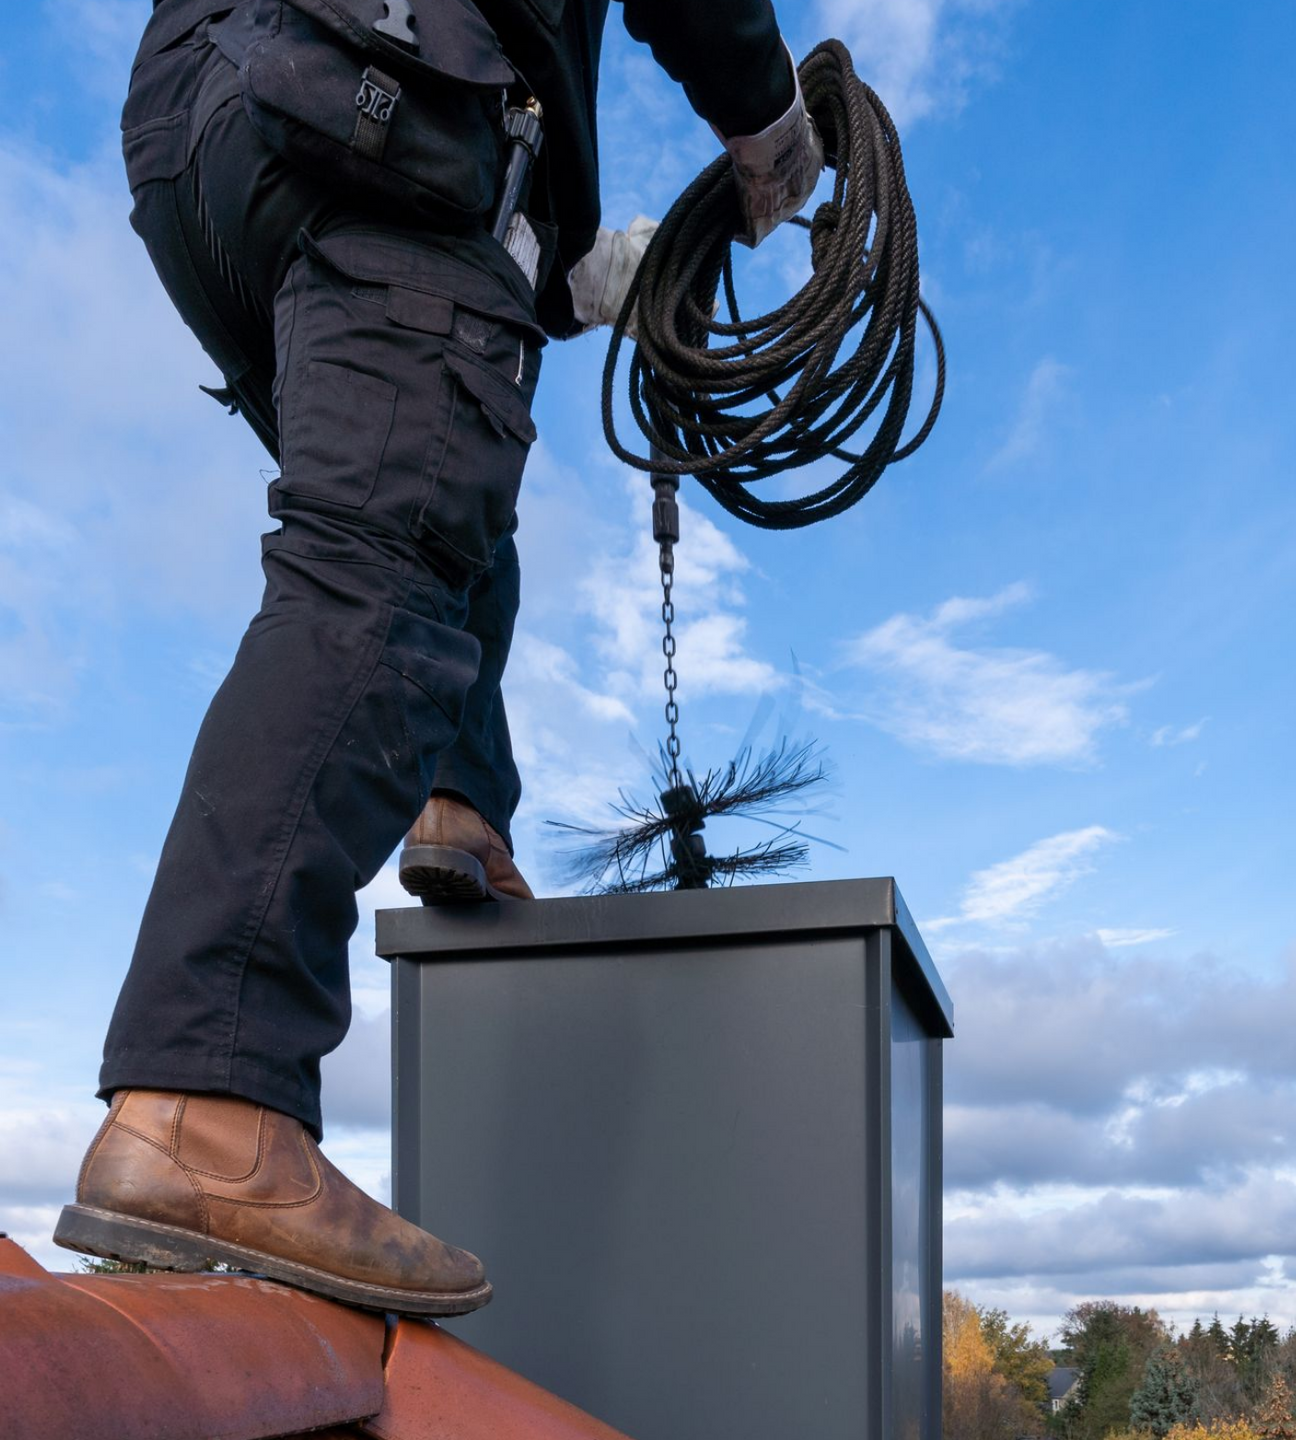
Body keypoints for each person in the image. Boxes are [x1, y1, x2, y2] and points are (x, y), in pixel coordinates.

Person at [55, 0, 823, 1316]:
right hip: (387, 88)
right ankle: (206, 1102)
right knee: (387, 552)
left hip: (206, 130)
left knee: (439, 479)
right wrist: (769, 125)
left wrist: (574, 266)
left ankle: (457, 804)